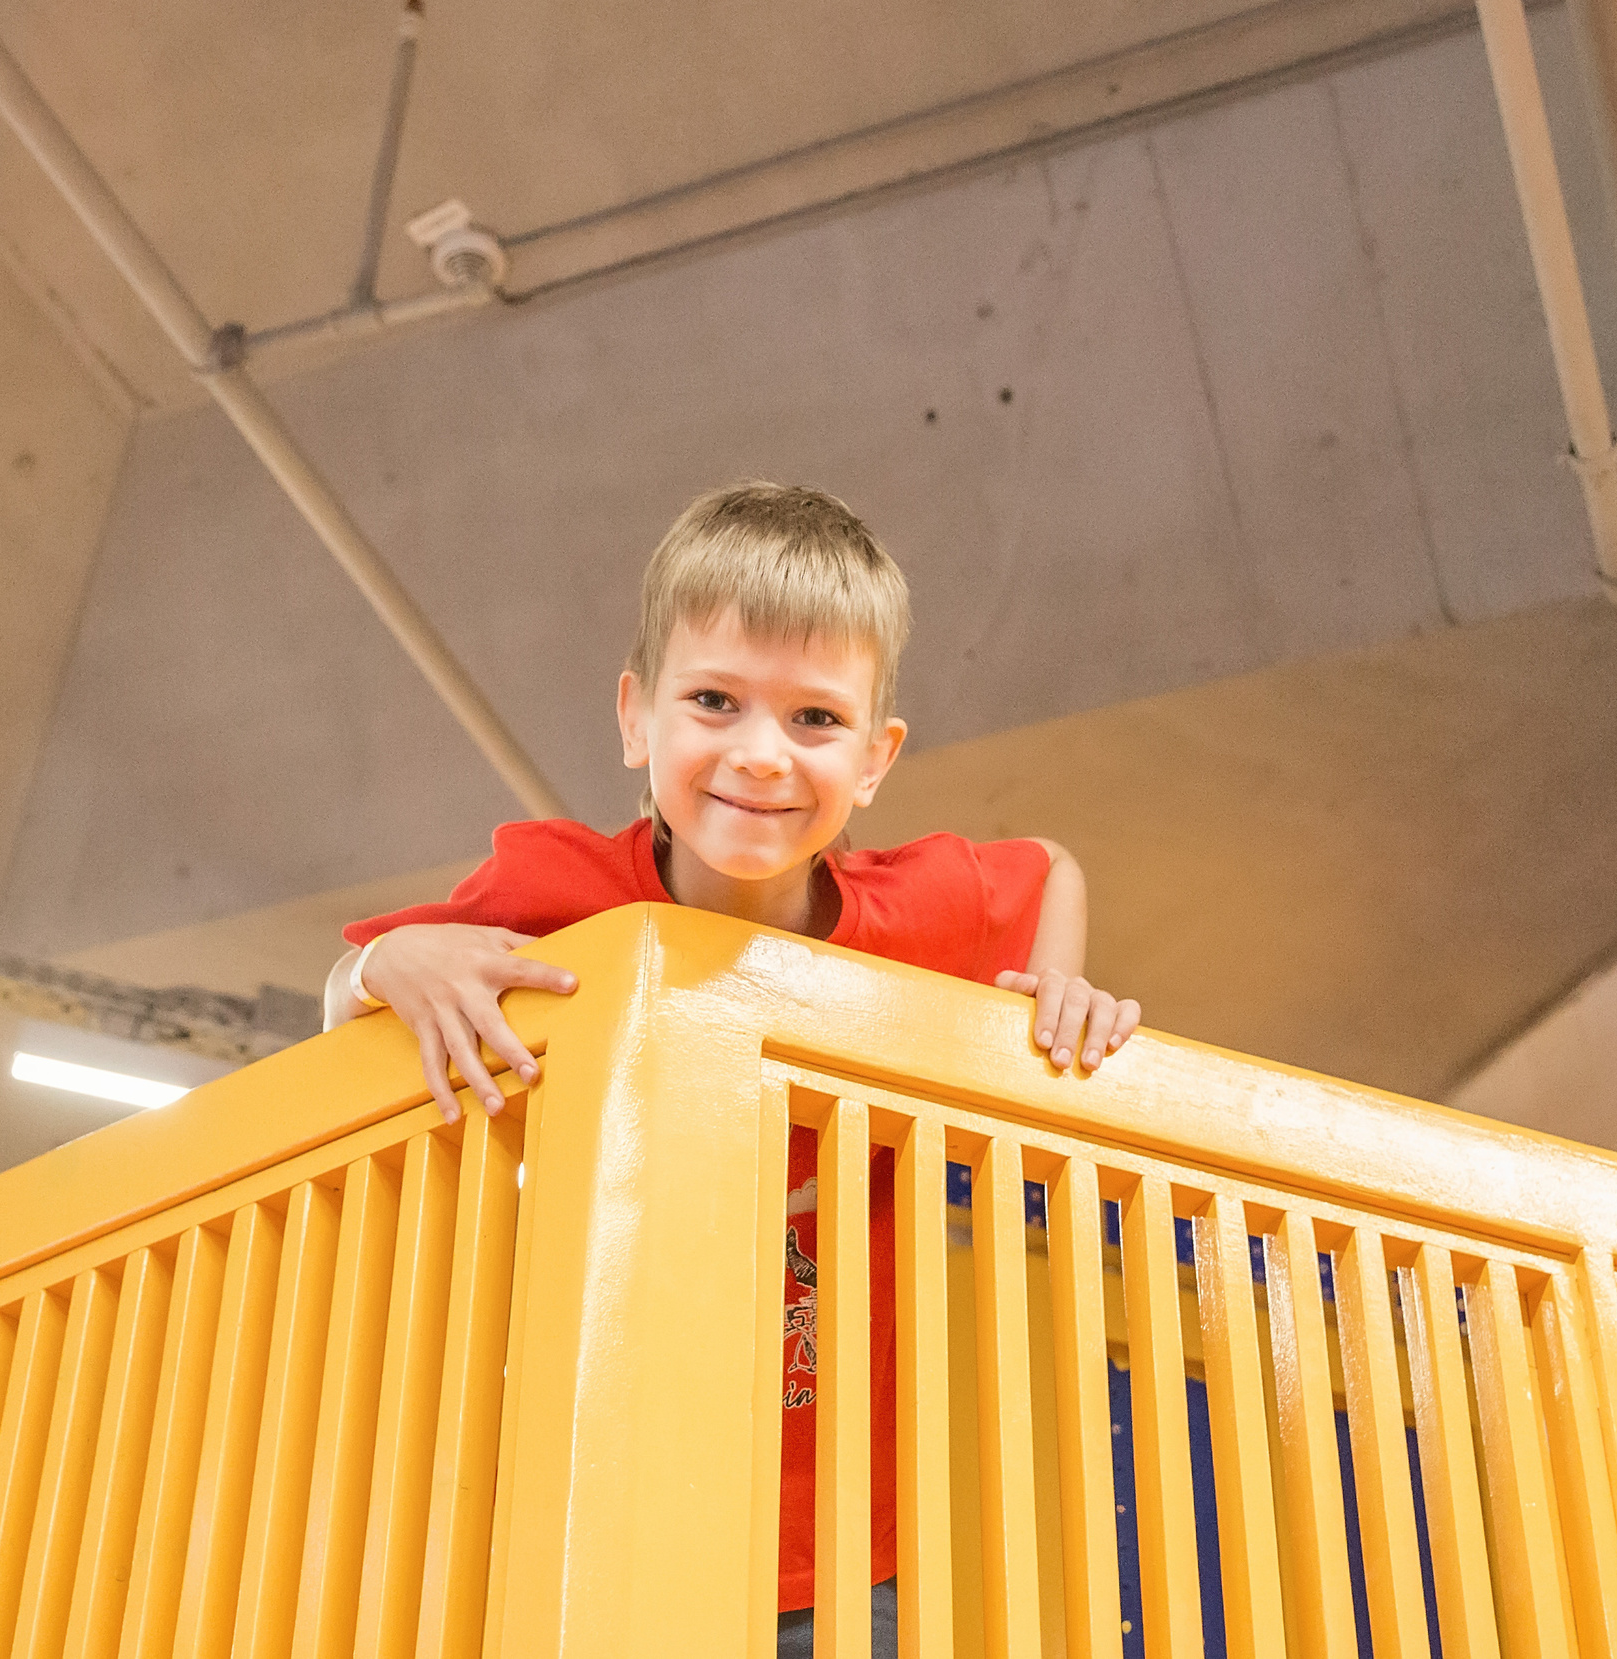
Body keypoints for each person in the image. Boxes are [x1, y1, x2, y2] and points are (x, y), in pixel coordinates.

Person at [325, 480, 1139, 1653]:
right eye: (713, 701)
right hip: (590, 1485)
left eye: (814, 720)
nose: (760, 754)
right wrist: (384, 962)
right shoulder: (562, 893)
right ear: (635, 719)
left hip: (846, 1524)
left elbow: (1048, 867)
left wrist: (1052, 989)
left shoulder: (915, 915)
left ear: (873, 759)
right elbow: (339, 1007)